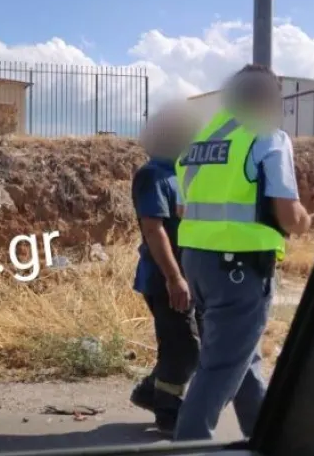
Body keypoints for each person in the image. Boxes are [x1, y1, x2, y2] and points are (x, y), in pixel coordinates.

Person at [173, 64, 313, 441]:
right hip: (240, 265)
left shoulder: (198, 139)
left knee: (242, 357)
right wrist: (304, 222)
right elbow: (287, 213)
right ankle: (188, 444)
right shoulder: (266, 135)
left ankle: (262, 435)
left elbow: (183, 207)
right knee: (220, 368)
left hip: (198, 262)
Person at [128, 103, 203, 436]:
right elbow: (153, 228)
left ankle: (150, 392)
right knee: (184, 347)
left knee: (185, 345)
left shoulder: (179, 174)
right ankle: (167, 412)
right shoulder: (152, 175)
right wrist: (174, 278)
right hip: (164, 279)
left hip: (185, 277)